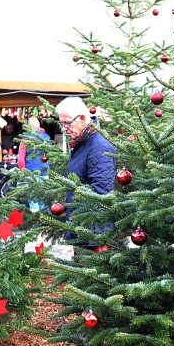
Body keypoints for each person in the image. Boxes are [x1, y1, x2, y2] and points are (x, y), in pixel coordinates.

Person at [54, 97, 116, 248]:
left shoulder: (99, 147)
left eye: (67, 123)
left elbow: (102, 195)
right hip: (82, 230)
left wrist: (93, 239)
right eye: (61, 123)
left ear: (82, 119)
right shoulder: (81, 144)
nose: (64, 128)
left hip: (94, 236)